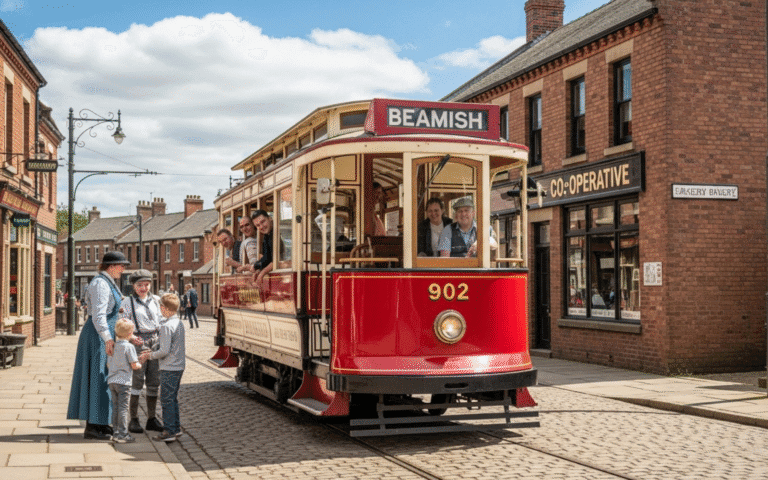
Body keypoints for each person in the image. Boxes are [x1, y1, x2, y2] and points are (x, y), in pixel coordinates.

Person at [67, 251, 131, 440]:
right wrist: (107, 339)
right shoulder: (100, 284)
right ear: (111, 266)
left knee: (104, 378)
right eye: (121, 265)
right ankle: (92, 426)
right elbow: (98, 316)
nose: (123, 269)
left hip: (103, 335)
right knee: (97, 377)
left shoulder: (108, 282)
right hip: (97, 336)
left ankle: (101, 422)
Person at [120, 269, 164, 434]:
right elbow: (121, 324)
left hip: (155, 343)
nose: (143, 288)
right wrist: (131, 338)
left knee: (154, 382)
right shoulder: (127, 303)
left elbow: (162, 320)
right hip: (138, 344)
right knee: (136, 382)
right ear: (133, 285)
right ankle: (134, 419)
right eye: (140, 285)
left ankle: (151, 419)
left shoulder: (157, 301)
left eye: (146, 284)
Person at [140, 293, 185, 442]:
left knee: (166, 400)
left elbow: (164, 351)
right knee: (173, 399)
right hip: (179, 366)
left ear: (164, 309)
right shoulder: (178, 323)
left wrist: (150, 355)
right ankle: (176, 428)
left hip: (168, 367)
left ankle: (169, 431)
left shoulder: (166, 326)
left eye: (161, 308)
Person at [107, 319, 143, 443]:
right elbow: (134, 365)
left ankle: (115, 432)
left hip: (112, 381)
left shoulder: (113, 346)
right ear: (130, 334)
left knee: (115, 407)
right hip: (124, 382)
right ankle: (123, 434)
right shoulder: (129, 347)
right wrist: (140, 364)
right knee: (123, 408)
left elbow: (108, 364)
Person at [247, 209, 274, 284]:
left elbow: (277, 260)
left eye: (263, 222)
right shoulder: (267, 235)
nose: (261, 226)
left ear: (269, 218)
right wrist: (258, 269)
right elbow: (267, 258)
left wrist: (262, 273)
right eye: (258, 225)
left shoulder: (277, 232)